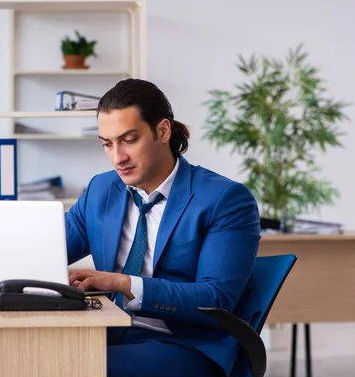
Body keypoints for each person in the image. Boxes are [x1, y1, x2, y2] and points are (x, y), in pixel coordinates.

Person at [65, 78, 261, 377]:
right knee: (22, 356)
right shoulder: (101, 190)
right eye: (107, 144)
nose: (118, 157)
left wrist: (123, 283)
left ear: (163, 130)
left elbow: (216, 299)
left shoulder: (224, 199)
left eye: (129, 140)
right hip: (107, 330)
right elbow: (47, 249)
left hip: (184, 343)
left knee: (67, 368)